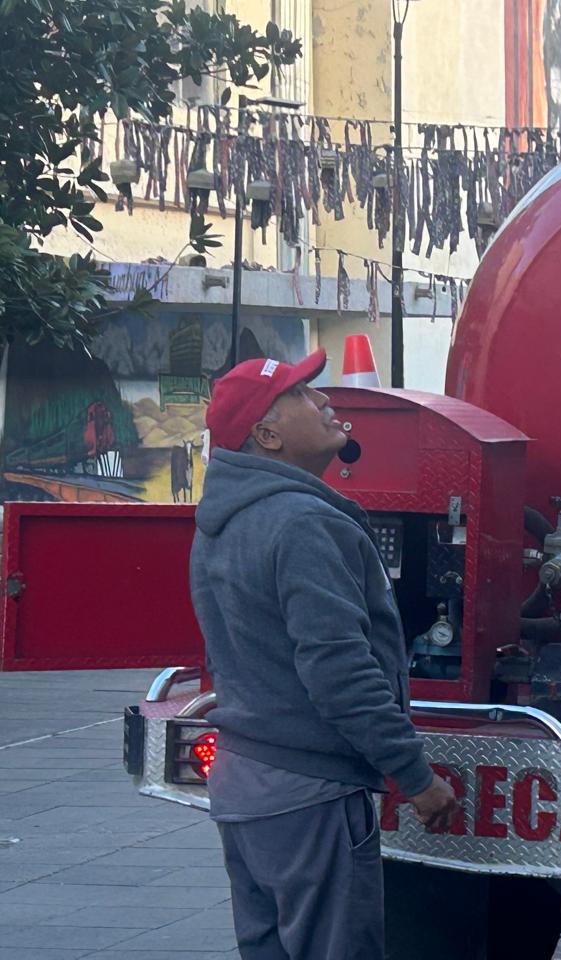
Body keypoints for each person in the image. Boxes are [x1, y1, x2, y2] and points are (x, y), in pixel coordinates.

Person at [190, 350, 458, 960]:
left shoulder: (221, 521)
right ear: (268, 435)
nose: (325, 400)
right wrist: (415, 776)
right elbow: (339, 671)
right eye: (302, 395)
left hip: (244, 785)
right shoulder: (303, 523)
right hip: (308, 797)